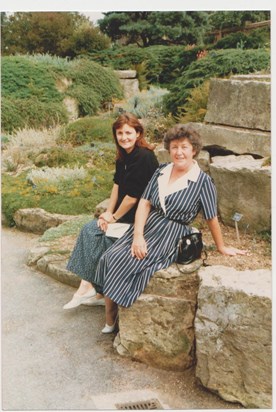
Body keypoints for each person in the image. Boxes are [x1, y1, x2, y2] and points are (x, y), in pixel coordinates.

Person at [94, 123, 247, 333]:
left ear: (194, 150)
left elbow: (211, 218)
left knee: (128, 262)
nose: (179, 152)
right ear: (169, 149)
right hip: (149, 225)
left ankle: (115, 315)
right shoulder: (161, 171)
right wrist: (138, 235)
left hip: (172, 233)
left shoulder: (203, 182)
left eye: (184, 147)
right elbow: (145, 203)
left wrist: (222, 247)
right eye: (174, 147)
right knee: (108, 257)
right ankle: (110, 316)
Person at [63, 112, 159, 309]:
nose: (124, 137)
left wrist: (113, 217)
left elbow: (133, 197)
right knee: (90, 230)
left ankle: (92, 288)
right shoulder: (123, 156)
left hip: (142, 218)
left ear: (138, 133)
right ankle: (93, 288)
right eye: (120, 133)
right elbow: (117, 186)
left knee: (103, 236)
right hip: (124, 214)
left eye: (128, 132)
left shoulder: (143, 157)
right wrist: (108, 212)